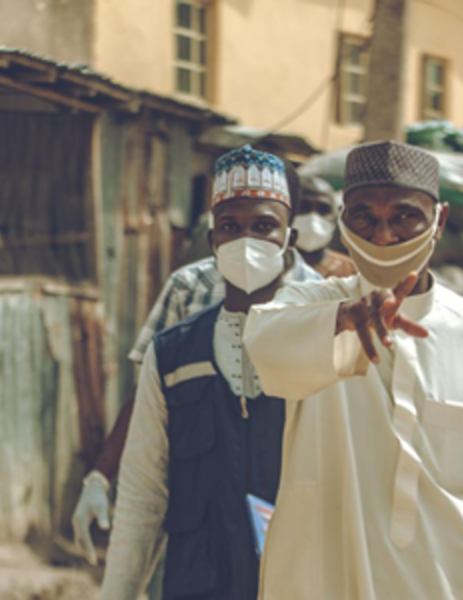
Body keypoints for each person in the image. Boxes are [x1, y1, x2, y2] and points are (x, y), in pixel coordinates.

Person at [244, 141, 463, 599]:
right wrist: (342, 319)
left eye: (403, 217)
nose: (382, 237)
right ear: (343, 222)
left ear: (438, 221)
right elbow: (264, 343)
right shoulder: (310, 305)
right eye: (364, 217)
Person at [72, 159, 321, 578]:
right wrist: (102, 473)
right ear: (212, 236)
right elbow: (154, 396)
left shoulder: (323, 313)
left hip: (293, 554)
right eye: (231, 226)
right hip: (201, 537)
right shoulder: (188, 291)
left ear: (288, 235)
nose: (246, 242)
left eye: (262, 227)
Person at [293, 176, 357, 279]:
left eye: (323, 210)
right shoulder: (272, 268)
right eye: (304, 207)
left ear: (336, 216)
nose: (313, 218)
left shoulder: (352, 272)